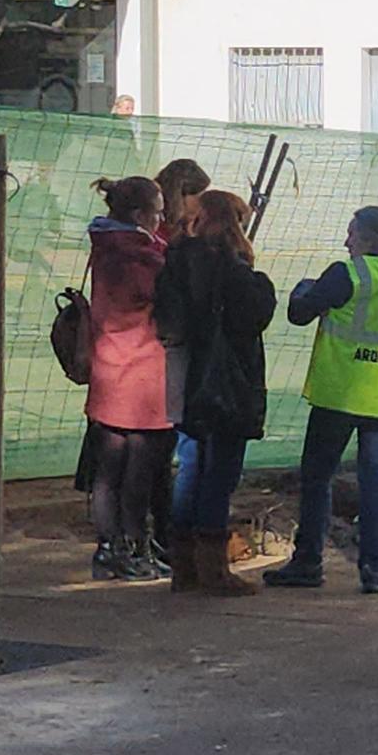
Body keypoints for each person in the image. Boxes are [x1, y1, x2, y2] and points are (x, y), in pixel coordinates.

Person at [265, 206, 378, 594]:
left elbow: (299, 314)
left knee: (318, 479)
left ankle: (308, 562)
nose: (346, 241)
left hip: (341, 393)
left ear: (369, 239)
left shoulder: (347, 274)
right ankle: (374, 570)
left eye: (351, 234)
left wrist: (304, 289)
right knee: (376, 484)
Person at [155, 190, 275, 596]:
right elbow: (254, 316)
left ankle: (184, 567)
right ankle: (213, 569)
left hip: (185, 374)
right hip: (225, 379)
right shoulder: (233, 270)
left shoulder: (176, 259)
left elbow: (169, 321)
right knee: (220, 472)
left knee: (190, 467)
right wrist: (260, 281)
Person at [83, 175, 172, 580]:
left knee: (107, 471)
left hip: (109, 371)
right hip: (142, 379)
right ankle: (134, 549)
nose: (163, 218)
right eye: (158, 211)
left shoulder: (107, 247)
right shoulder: (139, 257)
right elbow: (168, 298)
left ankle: (108, 547)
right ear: (140, 215)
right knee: (139, 474)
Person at [154, 159, 213, 552]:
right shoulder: (167, 241)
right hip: (168, 356)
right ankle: (176, 532)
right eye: (198, 196)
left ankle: (170, 528)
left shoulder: (173, 236)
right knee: (181, 445)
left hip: (168, 354)